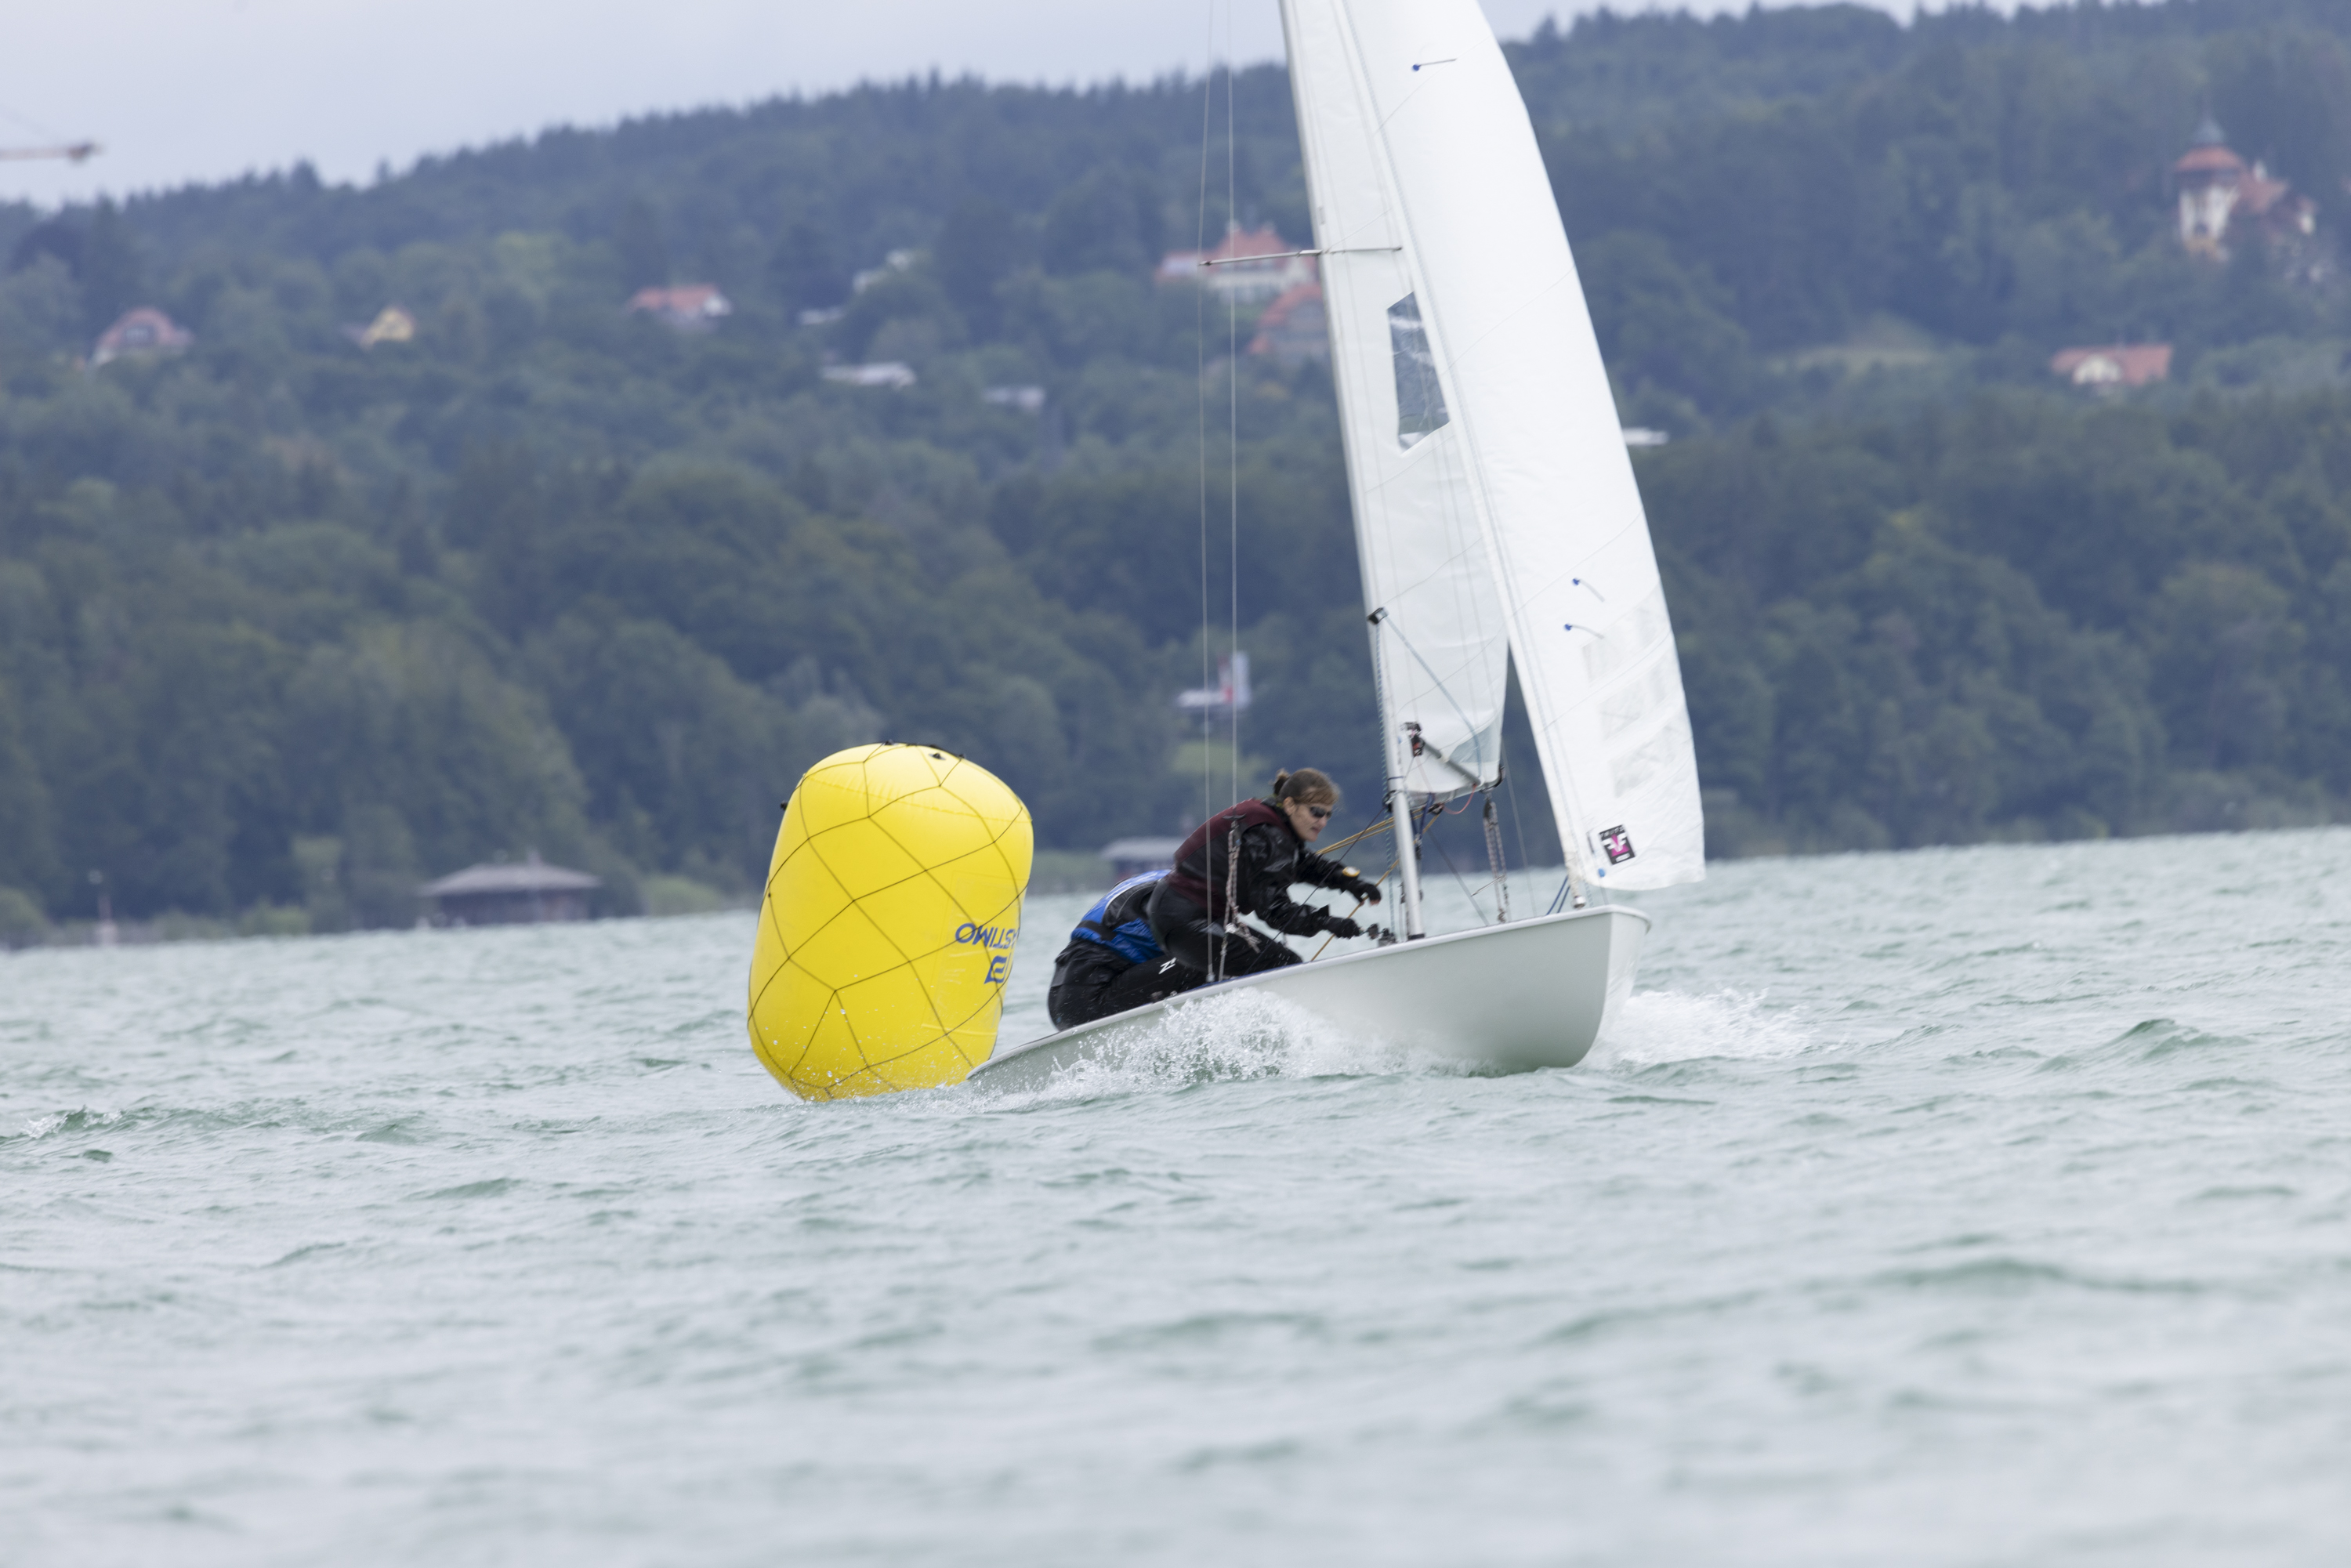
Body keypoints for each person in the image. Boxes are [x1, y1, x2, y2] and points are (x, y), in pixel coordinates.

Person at [1147, 767, 1380, 983]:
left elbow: (1304, 863)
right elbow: (1274, 910)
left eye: (1328, 815)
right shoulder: (1267, 833)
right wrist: (1326, 922)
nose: (1323, 822)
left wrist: (1351, 882)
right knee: (1284, 964)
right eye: (1316, 812)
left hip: (1177, 916)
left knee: (1276, 963)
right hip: (1186, 921)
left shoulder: (1272, 826)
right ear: (1290, 805)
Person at [1045, 869, 1202, 1030]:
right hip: (1091, 999)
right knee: (1208, 959)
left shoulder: (1158, 878)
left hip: (1061, 1001)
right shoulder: (1181, 892)